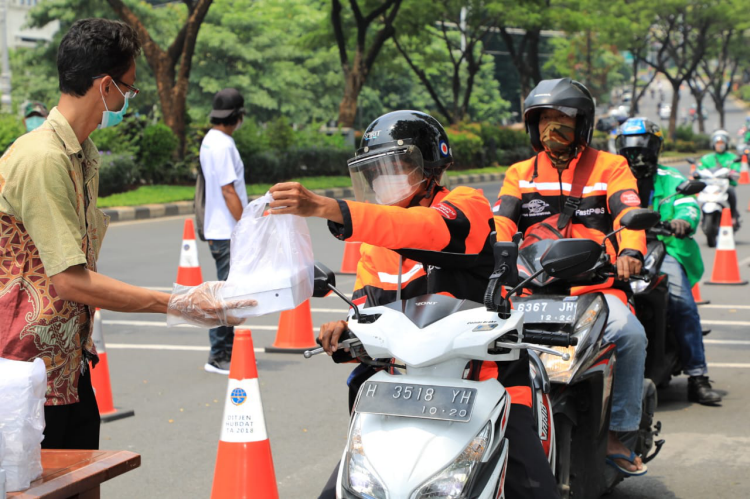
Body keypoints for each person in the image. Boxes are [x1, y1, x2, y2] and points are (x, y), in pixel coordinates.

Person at [269, 110, 560, 498]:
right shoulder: (373, 247)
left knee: (535, 488)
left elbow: (428, 229)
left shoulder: (466, 206)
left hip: (487, 386)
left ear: (431, 168)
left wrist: (330, 209)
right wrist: (346, 331)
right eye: (374, 172)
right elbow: (369, 314)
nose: (382, 179)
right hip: (404, 396)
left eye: (396, 165)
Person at [0, 18, 247, 451]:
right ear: (105, 86)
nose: (128, 100)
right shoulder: (43, 159)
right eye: (129, 90)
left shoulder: (81, 153)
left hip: (68, 367)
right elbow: (70, 280)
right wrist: (179, 302)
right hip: (27, 374)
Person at [493, 78, 648, 476]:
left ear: (582, 123)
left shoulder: (611, 167)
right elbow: (502, 221)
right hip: (532, 287)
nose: (551, 127)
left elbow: (626, 211)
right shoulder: (521, 173)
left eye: (561, 118)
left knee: (630, 335)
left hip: (596, 287)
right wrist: (494, 256)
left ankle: (619, 433)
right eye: (543, 118)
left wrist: (630, 251)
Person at [616, 118, 721, 405]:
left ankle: (698, 377)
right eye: (629, 147)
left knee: (683, 304)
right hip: (620, 250)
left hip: (664, 248)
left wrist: (681, 222)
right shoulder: (612, 176)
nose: (635, 154)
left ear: (655, 148)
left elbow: (688, 207)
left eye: (642, 147)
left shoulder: (671, 178)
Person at [198, 88, 247, 375]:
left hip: (219, 230)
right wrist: (245, 226)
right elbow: (228, 190)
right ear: (237, 116)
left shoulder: (210, 140)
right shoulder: (224, 145)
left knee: (228, 294)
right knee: (226, 297)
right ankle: (218, 356)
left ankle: (225, 352)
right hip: (228, 231)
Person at [698, 130, 741, 230]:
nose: (719, 145)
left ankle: (733, 216)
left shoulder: (732, 157)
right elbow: (700, 168)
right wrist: (696, 173)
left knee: (731, 192)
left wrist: (732, 173)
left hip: (725, 185)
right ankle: (701, 217)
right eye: (717, 143)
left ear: (726, 144)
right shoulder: (707, 158)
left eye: (722, 143)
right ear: (713, 144)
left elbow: (736, 169)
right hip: (710, 185)